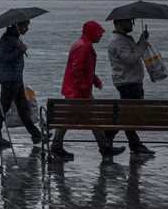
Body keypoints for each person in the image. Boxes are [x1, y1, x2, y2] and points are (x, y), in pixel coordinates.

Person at [49, 20, 126, 161]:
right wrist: (84, 87)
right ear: (92, 33)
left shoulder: (84, 45)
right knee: (92, 119)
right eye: (99, 33)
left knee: (70, 119)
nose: (101, 36)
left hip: (76, 91)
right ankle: (104, 148)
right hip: (78, 92)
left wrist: (95, 81)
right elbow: (76, 70)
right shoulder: (83, 47)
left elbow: (86, 69)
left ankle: (57, 146)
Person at [0, 20, 46, 148]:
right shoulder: (6, 40)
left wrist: (20, 49)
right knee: (4, 107)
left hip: (16, 78)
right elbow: (3, 59)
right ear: (16, 26)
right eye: (25, 26)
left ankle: (36, 135)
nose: (27, 28)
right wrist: (20, 50)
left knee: (23, 107)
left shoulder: (14, 38)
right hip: (9, 79)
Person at [105, 18, 155, 155]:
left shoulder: (124, 39)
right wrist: (142, 46)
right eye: (128, 22)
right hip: (128, 82)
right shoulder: (117, 41)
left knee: (129, 114)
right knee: (128, 114)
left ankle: (126, 140)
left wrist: (140, 40)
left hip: (132, 81)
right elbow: (131, 59)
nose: (131, 24)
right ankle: (118, 138)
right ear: (118, 23)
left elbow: (133, 53)